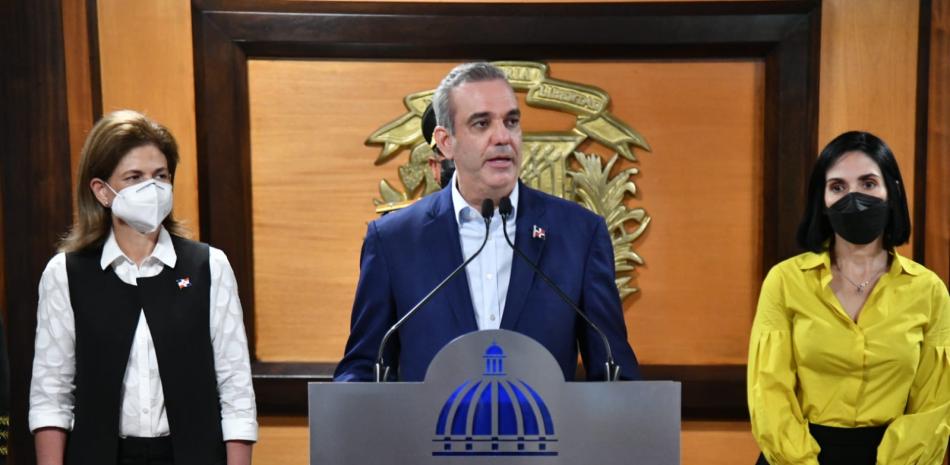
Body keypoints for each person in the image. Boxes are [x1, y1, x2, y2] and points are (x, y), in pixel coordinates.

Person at [334, 62, 640, 382]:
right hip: (425, 432)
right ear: (445, 141)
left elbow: (614, 371)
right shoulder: (394, 240)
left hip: (547, 431)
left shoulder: (578, 234)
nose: (502, 137)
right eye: (481, 124)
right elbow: (362, 368)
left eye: (511, 121)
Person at [29, 110, 258, 465]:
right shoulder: (66, 274)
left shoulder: (209, 266)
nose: (151, 188)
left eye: (160, 176)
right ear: (102, 192)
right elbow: (51, 395)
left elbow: (236, 388)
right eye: (134, 177)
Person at [747, 131, 950, 464]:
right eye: (838, 187)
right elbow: (769, 393)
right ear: (822, 201)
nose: (853, 198)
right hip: (797, 457)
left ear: (892, 192)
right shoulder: (784, 282)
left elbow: (935, 403)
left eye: (868, 183)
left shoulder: (928, 290)